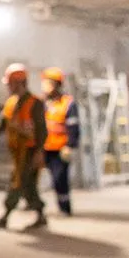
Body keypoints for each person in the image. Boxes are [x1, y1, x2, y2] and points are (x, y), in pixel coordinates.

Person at [0, 62, 49, 230]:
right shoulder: (11, 103)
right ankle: (40, 214)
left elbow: (42, 129)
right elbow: (1, 124)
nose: (8, 87)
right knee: (29, 185)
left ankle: (5, 216)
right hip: (18, 151)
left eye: (10, 83)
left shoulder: (35, 103)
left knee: (17, 182)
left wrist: (39, 152)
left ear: (20, 83)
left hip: (30, 150)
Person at [42, 66, 80, 216]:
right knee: (31, 175)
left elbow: (73, 127)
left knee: (60, 178)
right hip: (44, 146)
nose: (45, 87)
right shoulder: (43, 103)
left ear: (56, 85)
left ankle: (65, 208)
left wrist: (69, 146)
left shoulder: (68, 104)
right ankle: (32, 204)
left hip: (60, 147)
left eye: (48, 83)